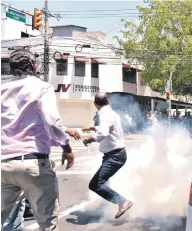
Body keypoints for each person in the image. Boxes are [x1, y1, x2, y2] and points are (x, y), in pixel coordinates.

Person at [1, 49, 80, 231]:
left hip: (4, 165)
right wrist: (66, 147)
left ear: (11, 69)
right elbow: (52, 121)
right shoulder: (42, 87)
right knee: (47, 223)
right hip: (33, 164)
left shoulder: (2, 90)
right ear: (35, 67)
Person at [82, 92, 133, 219]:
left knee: (95, 184)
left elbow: (103, 133)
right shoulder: (112, 113)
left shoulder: (104, 113)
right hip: (115, 155)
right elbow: (109, 128)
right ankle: (106, 206)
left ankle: (122, 201)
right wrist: (94, 128)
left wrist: (89, 139)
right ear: (108, 101)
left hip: (115, 156)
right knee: (104, 182)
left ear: (95, 104)